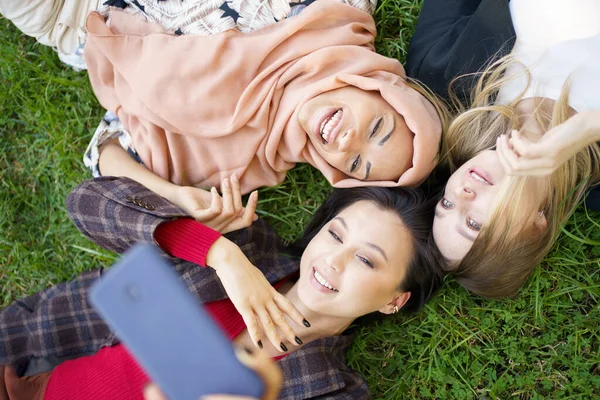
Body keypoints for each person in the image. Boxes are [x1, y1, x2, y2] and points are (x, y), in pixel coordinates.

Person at [0, 176, 444, 399]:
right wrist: (218, 253)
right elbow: (88, 202)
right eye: (335, 234)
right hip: (25, 368)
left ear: (394, 300)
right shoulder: (246, 244)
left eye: (366, 260)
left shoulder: (333, 391)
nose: (333, 259)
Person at [79, 0, 448, 220]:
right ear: (380, 88)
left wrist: (176, 196)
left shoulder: (244, 165)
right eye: (376, 128)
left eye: (355, 164)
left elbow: (105, 155)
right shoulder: (338, 14)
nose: (348, 142)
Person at [407, 0, 600, 298]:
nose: (460, 194)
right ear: (535, 225)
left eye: (445, 205)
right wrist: (587, 128)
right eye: (472, 223)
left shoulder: (445, 74)